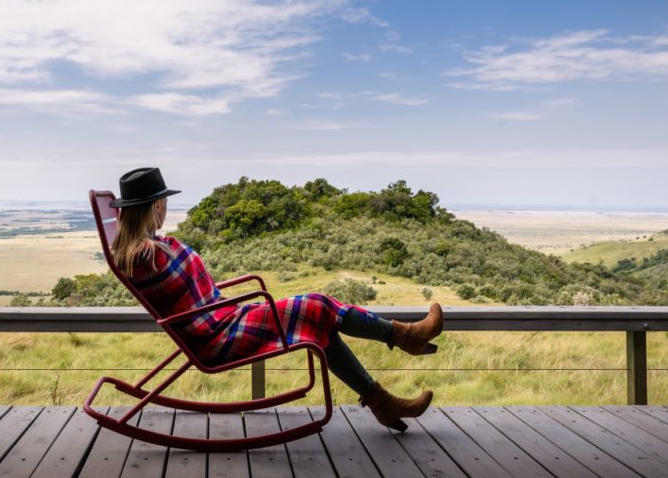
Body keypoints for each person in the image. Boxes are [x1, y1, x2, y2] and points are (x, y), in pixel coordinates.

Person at [108, 167, 443, 431]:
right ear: (155, 206)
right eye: (164, 202)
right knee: (318, 305)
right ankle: (403, 338)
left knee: (317, 321)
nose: (167, 208)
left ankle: (383, 397)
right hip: (218, 336)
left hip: (220, 321)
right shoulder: (152, 256)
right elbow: (184, 281)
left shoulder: (143, 252)